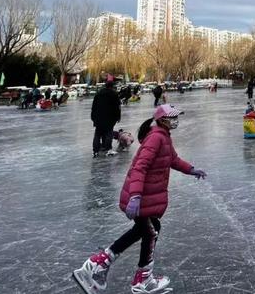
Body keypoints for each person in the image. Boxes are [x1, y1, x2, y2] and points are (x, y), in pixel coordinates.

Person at [73, 104, 207, 294]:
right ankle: (141, 279)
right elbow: (139, 167)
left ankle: (101, 263)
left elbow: (173, 160)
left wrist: (191, 169)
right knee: (151, 231)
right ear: (162, 119)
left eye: (177, 117)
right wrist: (135, 196)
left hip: (147, 196)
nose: (176, 120)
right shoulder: (156, 138)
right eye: (173, 117)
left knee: (144, 230)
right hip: (142, 196)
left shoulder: (164, 136)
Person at [91, 78, 121, 158]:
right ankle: (108, 149)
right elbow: (117, 107)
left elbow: (94, 106)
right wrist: (118, 117)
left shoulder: (98, 93)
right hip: (109, 117)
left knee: (97, 134)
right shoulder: (114, 94)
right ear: (112, 86)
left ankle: (95, 151)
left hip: (98, 117)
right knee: (108, 133)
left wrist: (93, 117)